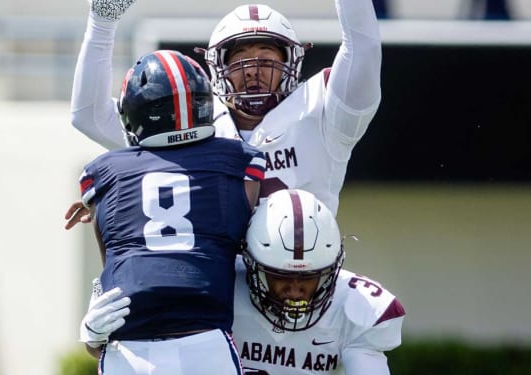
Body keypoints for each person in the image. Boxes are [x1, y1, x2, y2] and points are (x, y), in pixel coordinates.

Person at [81, 188, 406, 375]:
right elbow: (146, 358)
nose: (295, 289)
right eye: (280, 276)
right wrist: (97, 338)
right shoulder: (218, 286)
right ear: (250, 264)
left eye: (309, 277)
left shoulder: (356, 307)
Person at [69, 0, 382, 223]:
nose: (252, 71)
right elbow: (89, 116)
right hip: (220, 295)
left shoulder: (323, 112)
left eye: (265, 58)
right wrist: (102, 22)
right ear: (218, 70)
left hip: (304, 290)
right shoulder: (190, 122)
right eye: (239, 59)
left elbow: (363, 48)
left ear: (291, 64)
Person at [77, 49, 264, 375]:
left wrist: (90, 336)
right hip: (206, 347)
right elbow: (237, 221)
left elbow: (116, 264)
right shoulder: (240, 159)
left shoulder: (103, 173)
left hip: (129, 354)